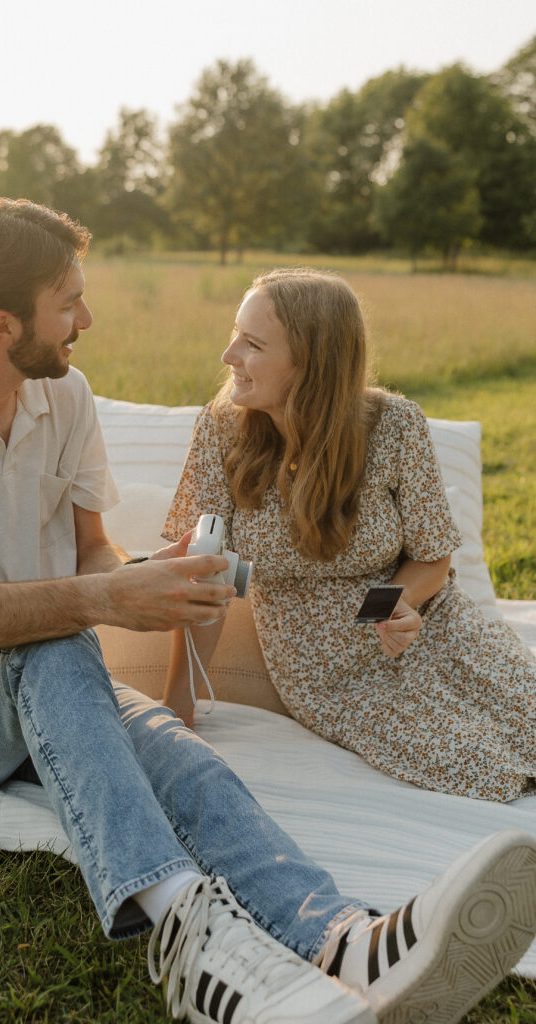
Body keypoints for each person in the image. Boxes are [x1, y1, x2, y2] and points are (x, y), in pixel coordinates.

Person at [0, 200, 534, 1024]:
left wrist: (146, 577)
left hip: (46, 681)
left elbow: (91, 555)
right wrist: (98, 597)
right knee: (57, 640)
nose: (87, 319)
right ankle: (192, 940)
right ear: (3, 324)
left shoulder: (62, 400)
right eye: (68, 302)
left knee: (182, 756)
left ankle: (342, 939)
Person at [162, 268, 536, 803]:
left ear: (310, 363)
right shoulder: (220, 430)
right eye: (234, 334)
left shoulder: (396, 426)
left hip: (435, 628)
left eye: (252, 343)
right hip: (333, 676)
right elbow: (204, 575)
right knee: (476, 762)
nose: (228, 356)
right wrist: (179, 707)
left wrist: (393, 606)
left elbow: (433, 560)